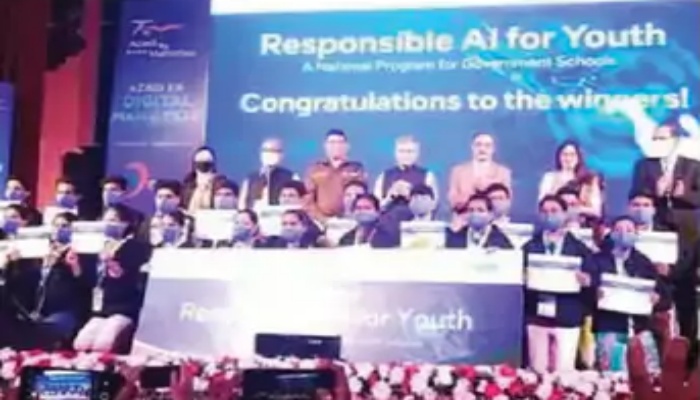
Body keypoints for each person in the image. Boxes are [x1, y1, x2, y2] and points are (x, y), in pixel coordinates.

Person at [523, 195, 595, 372]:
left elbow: (594, 278)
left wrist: (587, 280)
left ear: (565, 214)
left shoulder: (580, 248)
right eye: (544, 211)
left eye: (554, 211)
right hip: (536, 315)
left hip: (568, 316)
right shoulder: (529, 247)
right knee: (537, 369)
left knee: (564, 371)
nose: (549, 215)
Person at [591, 216, 669, 372]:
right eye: (619, 230)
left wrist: (657, 299)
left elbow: (665, 297)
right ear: (611, 233)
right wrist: (594, 293)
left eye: (629, 230)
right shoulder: (597, 260)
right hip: (609, 326)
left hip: (640, 327)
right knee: (612, 375)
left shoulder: (644, 262)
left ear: (636, 234)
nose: (623, 234)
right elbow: (585, 292)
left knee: (647, 374)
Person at [73, 204, 152, 353]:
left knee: (103, 344)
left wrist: (111, 262)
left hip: (124, 308)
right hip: (101, 309)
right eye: (106, 220)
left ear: (126, 224)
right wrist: (75, 264)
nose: (109, 224)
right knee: (81, 344)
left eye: (114, 220)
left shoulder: (136, 247)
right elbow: (88, 279)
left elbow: (130, 278)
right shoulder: (95, 246)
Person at [304, 129, 366, 220]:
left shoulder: (356, 168)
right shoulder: (315, 169)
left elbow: (362, 196)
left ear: (347, 146)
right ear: (325, 146)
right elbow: (307, 198)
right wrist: (321, 219)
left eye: (340, 142)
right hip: (321, 222)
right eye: (332, 143)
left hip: (350, 220)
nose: (336, 146)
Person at [539, 140, 603, 221]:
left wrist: (574, 209)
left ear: (578, 158)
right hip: (554, 223)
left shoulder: (589, 180)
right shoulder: (549, 177)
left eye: (572, 155)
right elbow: (542, 205)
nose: (568, 158)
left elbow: (596, 211)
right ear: (559, 157)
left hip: (582, 225)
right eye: (565, 155)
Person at [448, 132, 511, 210]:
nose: (482, 149)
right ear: (472, 147)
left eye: (487, 145)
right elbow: (453, 201)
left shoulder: (503, 172)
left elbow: (506, 203)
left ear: (493, 149)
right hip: (464, 215)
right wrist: (472, 196)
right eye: (478, 145)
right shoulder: (458, 171)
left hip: (494, 217)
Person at [373, 135, 438, 207]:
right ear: (395, 153)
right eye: (401, 151)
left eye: (410, 151)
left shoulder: (427, 176)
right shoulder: (384, 176)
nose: (405, 155)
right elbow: (376, 207)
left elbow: (433, 206)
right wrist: (391, 196)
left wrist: (410, 195)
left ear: (417, 153)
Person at [239, 138, 298, 209]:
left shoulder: (291, 176)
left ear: (282, 155)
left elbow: (297, 201)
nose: (269, 153)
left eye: (274, 150)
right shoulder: (251, 178)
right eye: (265, 150)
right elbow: (242, 203)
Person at [445, 193, 513, 249]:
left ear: (490, 214)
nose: (475, 214)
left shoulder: (501, 240)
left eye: (480, 210)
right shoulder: (455, 238)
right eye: (471, 210)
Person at [181, 146, 227, 213]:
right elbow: (183, 205)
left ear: (212, 163)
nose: (203, 165)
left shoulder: (221, 183)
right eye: (200, 161)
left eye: (206, 161)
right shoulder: (188, 184)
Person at [145, 179, 183, 245]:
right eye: (159, 197)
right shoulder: (146, 222)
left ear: (177, 199)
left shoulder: (188, 220)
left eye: (168, 197)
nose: (163, 200)